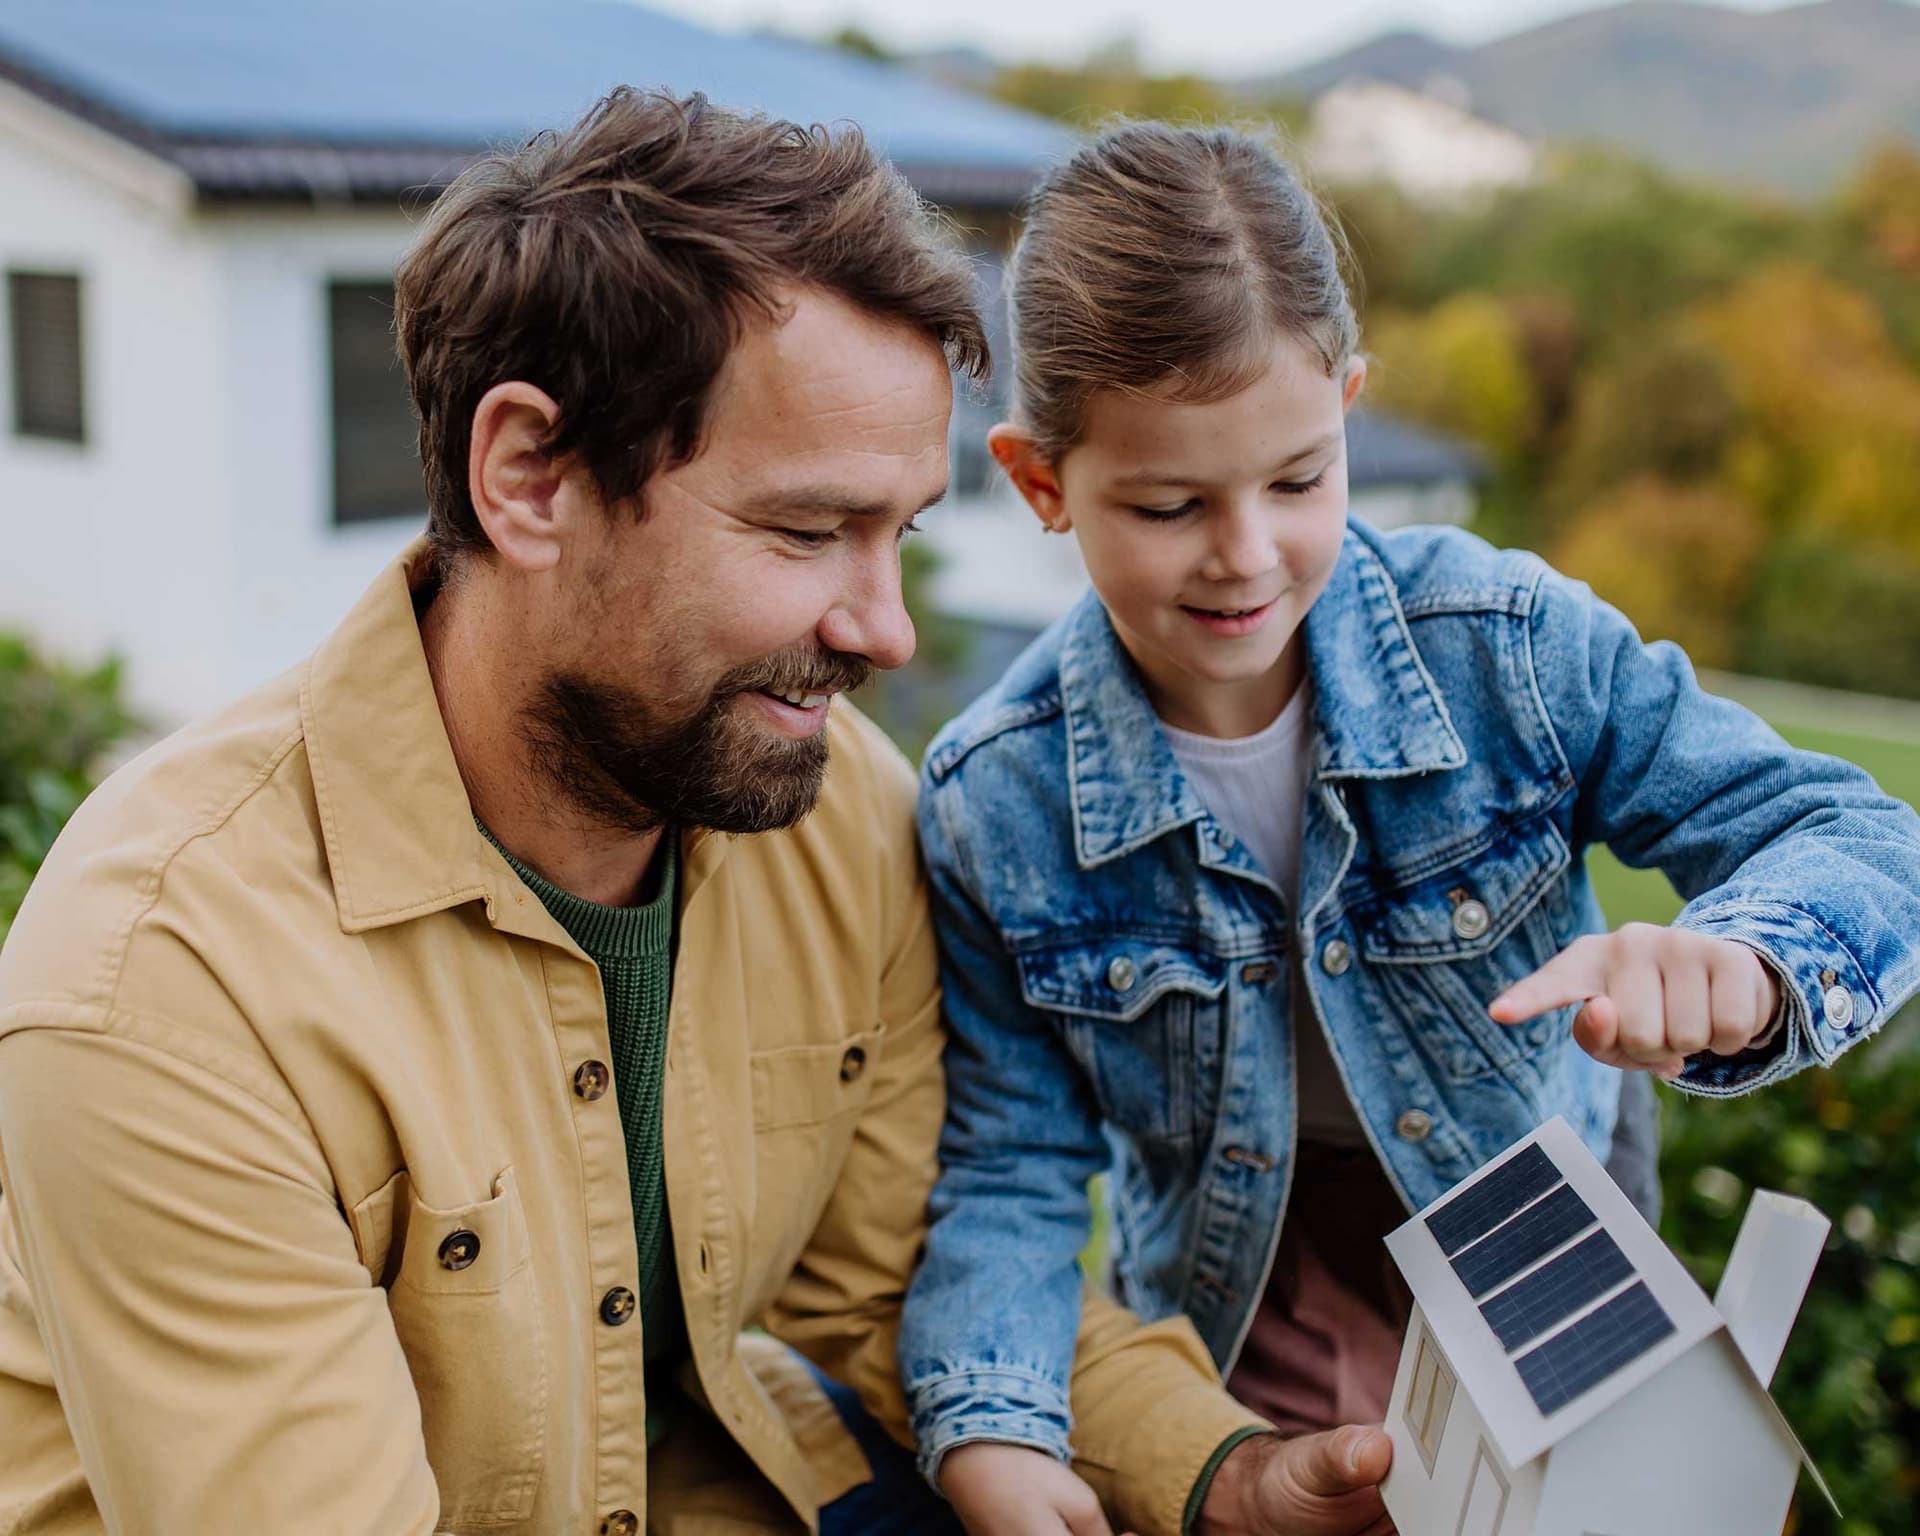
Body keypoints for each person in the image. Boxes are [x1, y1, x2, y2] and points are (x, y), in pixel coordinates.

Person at [0, 92, 1282, 1536]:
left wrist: (1229, 1474)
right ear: (529, 478)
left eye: (899, 535)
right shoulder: (165, 984)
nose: (884, 629)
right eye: (807, 532)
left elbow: (903, 1281)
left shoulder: (837, 812)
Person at [901, 120, 1920, 1536]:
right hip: (1233, 1333)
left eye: (1300, 480)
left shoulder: (1507, 647)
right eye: (1170, 503)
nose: (1246, 554)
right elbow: (1009, 1167)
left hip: (1554, 1301)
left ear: (1351, 407)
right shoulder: (990, 801)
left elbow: (1862, 839)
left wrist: (1744, 966)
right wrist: (998, 1431)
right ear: (1040, 482)